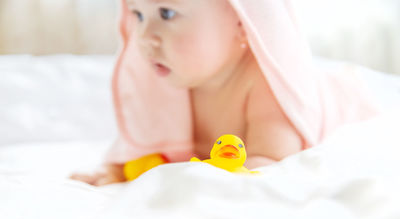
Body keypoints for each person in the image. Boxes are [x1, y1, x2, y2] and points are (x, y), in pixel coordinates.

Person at [71, 0, 378, 186]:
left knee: (348, 92)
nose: (144, 37)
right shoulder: (174, 79)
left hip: (342, 102)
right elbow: (146, 137)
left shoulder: (264, 84)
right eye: (138, 14)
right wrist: (114, 169)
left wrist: (196, 183)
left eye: (166, 13)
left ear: (243, 22)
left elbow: (272, 164)